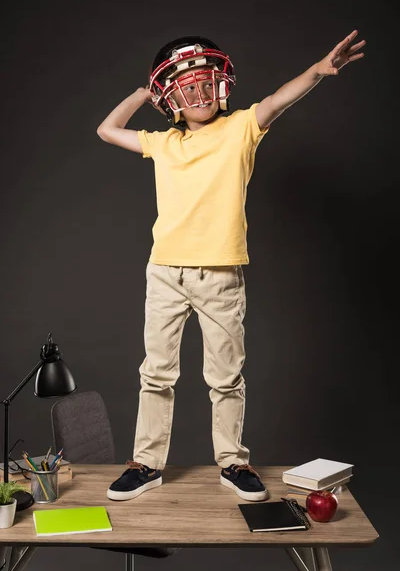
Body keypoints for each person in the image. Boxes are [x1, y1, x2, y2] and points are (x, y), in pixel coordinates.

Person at [96, 30, 366, 503]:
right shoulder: (162, 143)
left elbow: (279, 98)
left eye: (204, 82)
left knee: (225, 377)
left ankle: (233, 463)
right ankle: (146, 464)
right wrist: (143, 93)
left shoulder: (242, 127)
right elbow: (106, 129)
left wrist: (317, 72)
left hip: (220, 274)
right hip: (165, 272)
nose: (198, 93)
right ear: (170, 98)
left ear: (220, 85)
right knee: (156, 373)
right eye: (185, 86)